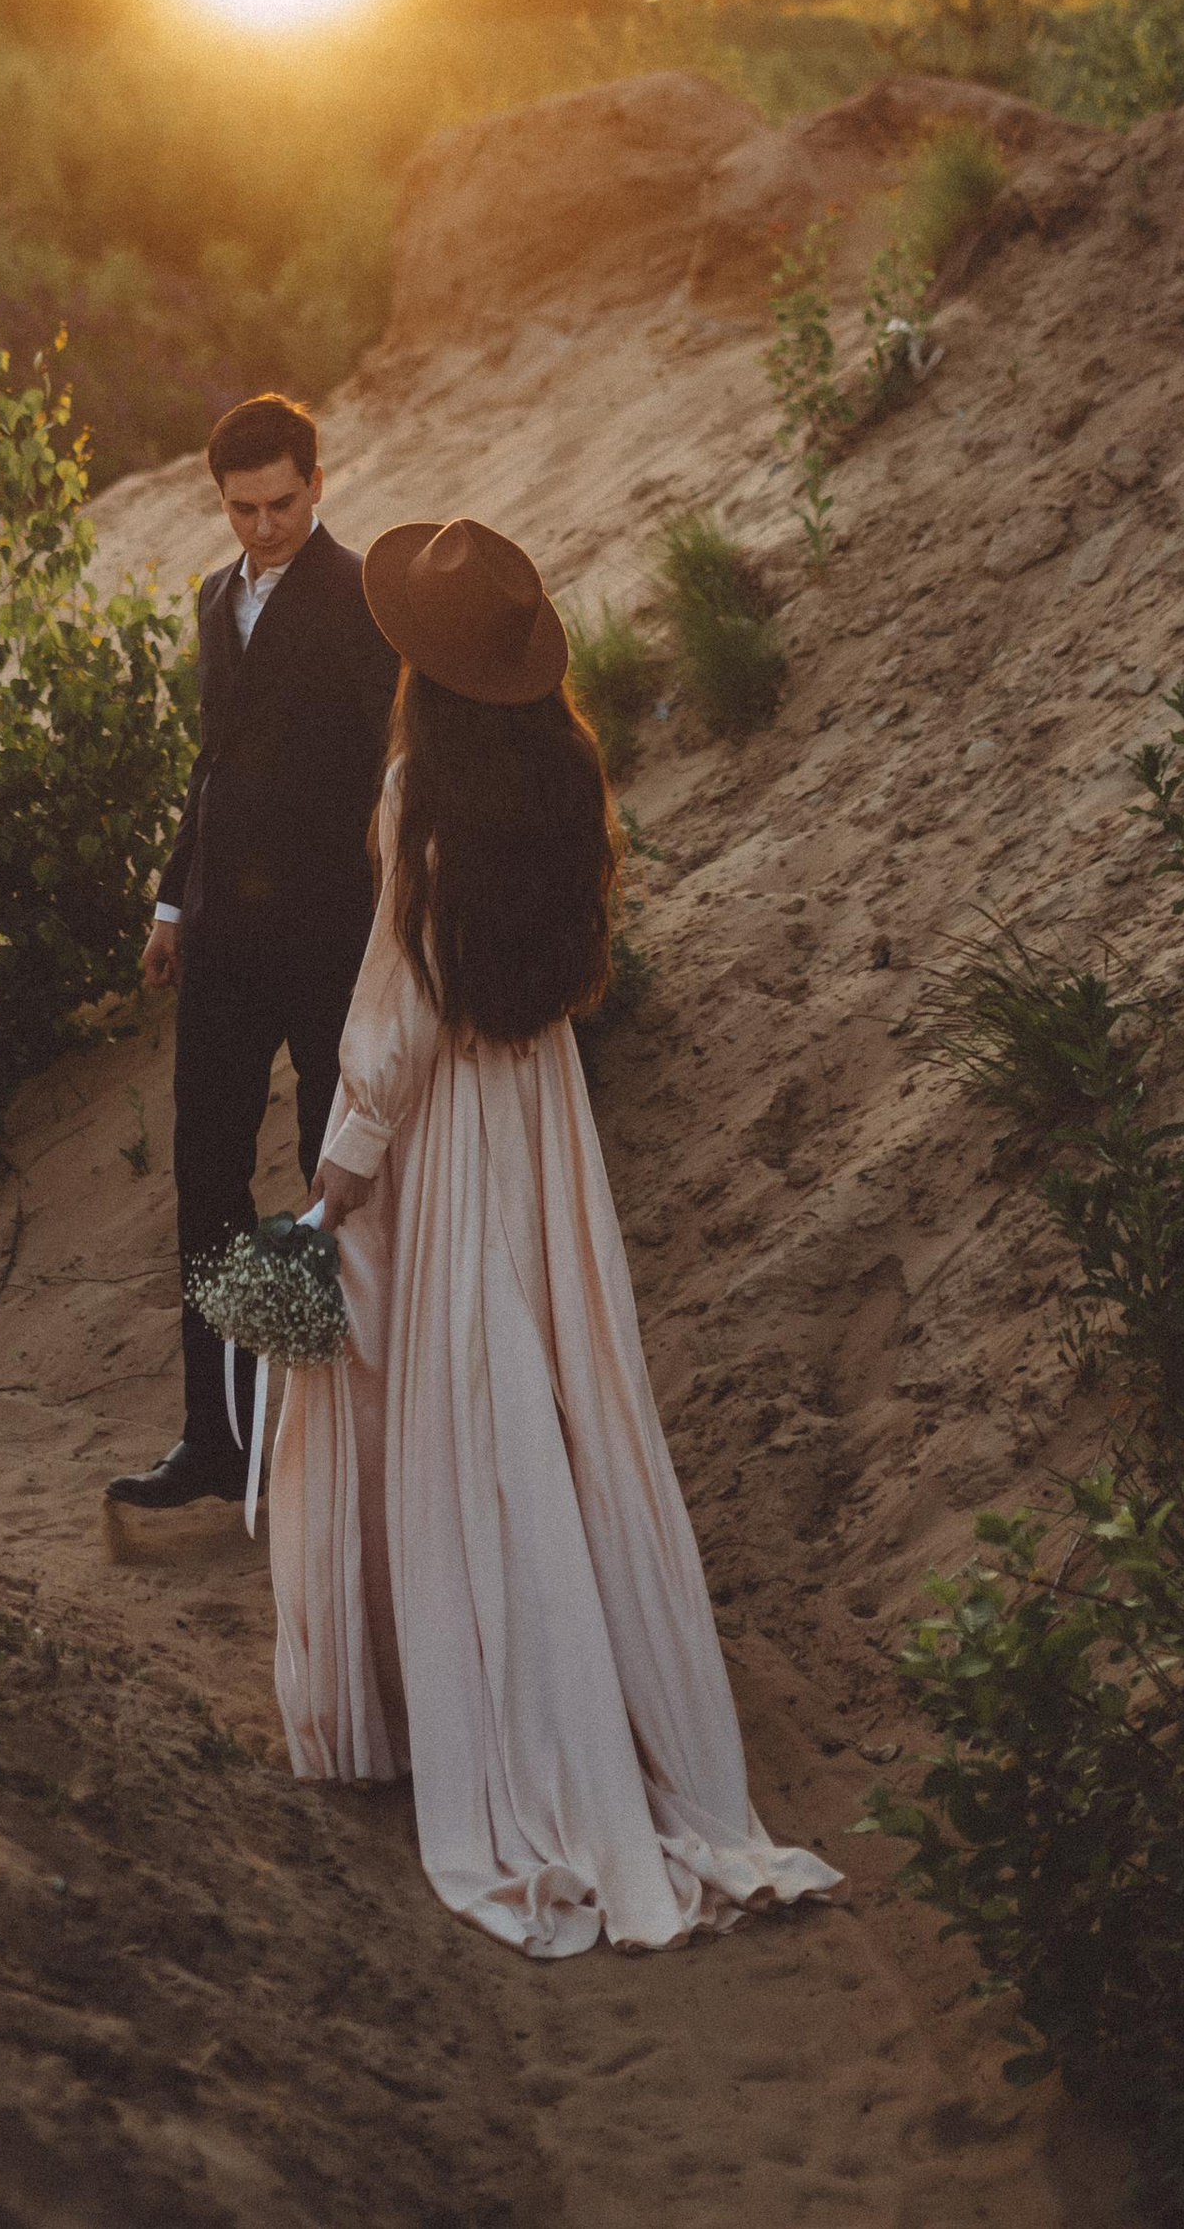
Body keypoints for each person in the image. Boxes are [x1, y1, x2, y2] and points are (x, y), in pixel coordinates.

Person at [270, 512, 840, 1956]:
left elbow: (396, 1014)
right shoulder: (569, 769)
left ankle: (514, 1726)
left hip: (460, 1126)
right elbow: (570, 966)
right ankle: (610, 1709)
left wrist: (334, 1175)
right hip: (546, 1113)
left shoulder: (418, 790)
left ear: (419, 663)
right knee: (564, 1384)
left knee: (480, 1404)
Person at [107, 393, 400, 1513]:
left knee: (336, 1188)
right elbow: (210, 765)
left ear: (317, 484)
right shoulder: (210, 594)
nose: (264, 527)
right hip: (223, 939)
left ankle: (346, 1451)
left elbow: (389, 771)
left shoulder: (362, 595)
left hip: (331, 939)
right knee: (205, 1182)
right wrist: (174, 903)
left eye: (282, 503)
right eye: (243, 508)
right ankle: (219, 1439)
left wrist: (389, 923)